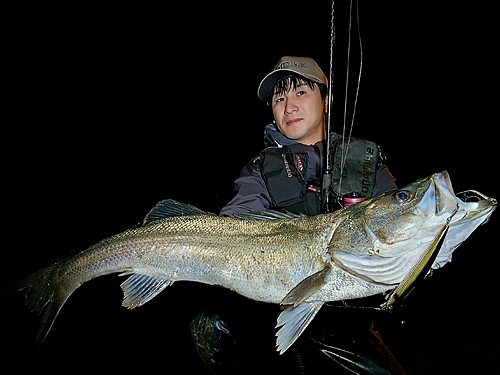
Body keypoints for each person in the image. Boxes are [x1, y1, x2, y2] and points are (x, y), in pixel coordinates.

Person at [189, 56, 407, 374]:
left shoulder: (366, 162)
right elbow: (235, 224)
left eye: (301, 93)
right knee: (213, 323)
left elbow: (401, 228)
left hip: (348, 320)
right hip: (270, 307)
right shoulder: (258, 170)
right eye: (280, 98)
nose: (289, 106)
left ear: (326, 100)